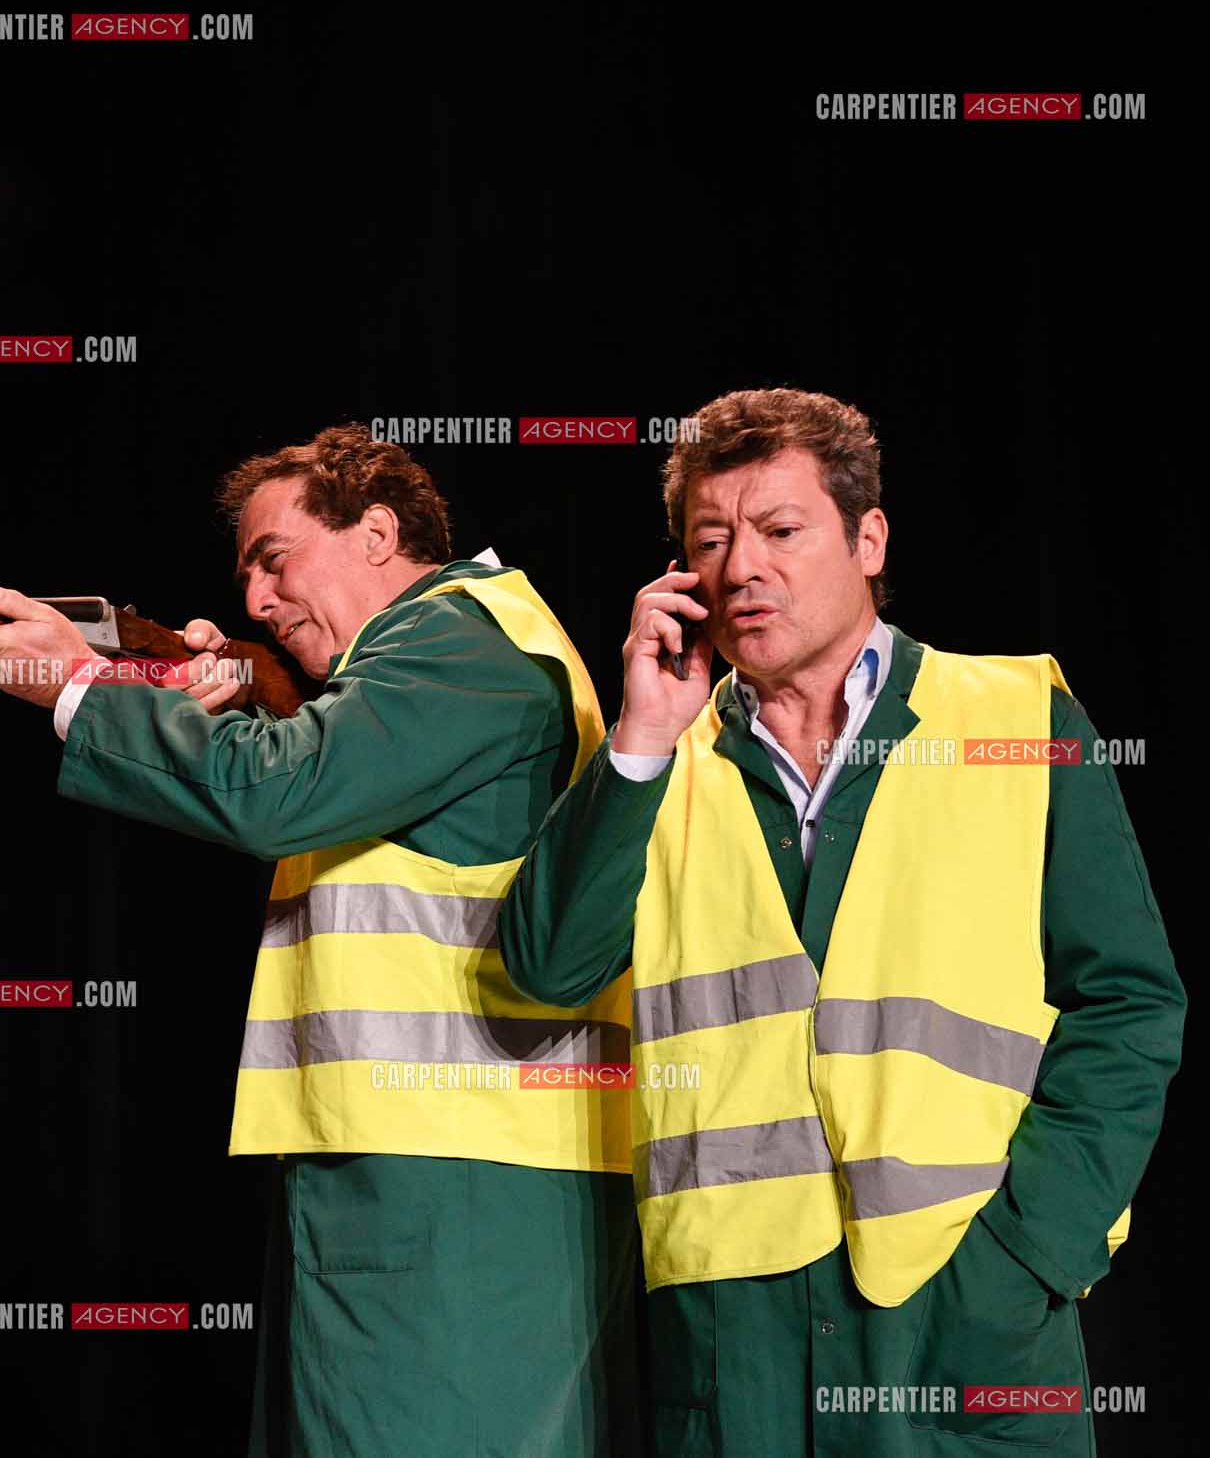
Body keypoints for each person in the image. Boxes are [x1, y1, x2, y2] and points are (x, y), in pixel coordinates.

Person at [0, 423, 639, 1455]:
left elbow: (277, 789)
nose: (257, 600)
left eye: (276, 560)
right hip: (432, 1167)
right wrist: (206, 696)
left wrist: (78, 685)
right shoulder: (451, 647)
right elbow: (306, 765)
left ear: (379, 534)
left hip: (455, 1180)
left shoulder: (460, 643)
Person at [496, 387, 1184, 1454]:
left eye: (780, 530)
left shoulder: (1016, 719)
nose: (740, 568)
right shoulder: (652, 764)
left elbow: (1131, 1003)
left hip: (962, 1307)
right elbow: (544, 973)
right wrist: (636, 740)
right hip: (734, 1330)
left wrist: (1031, 1253)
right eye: (710, 541)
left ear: (868, 539)